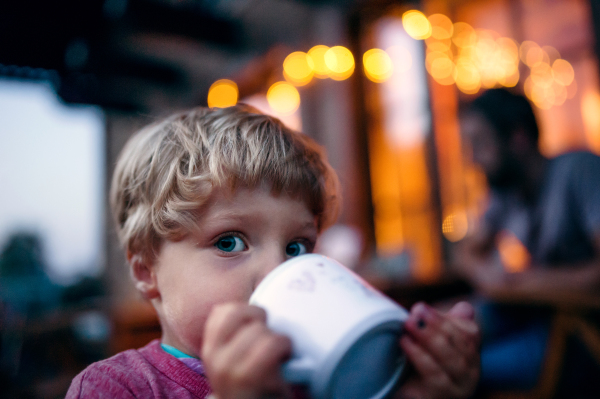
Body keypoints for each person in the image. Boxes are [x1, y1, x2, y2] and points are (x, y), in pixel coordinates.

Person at [66, 105, 480, 399]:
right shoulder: (115, 387)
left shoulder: (325, 370)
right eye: (229, 242)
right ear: (146, 271)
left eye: (297, 248)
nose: (277, 270)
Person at [454, 88, 600, 390]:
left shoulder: (580, 170)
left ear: (518, 137)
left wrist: (520, 282)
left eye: (480, 143)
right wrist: (497, 281)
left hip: (580, 330)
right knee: (440, 338)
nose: (473, 159)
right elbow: (467, 254)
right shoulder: (506, 192)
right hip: (536, 316)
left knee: (456, 373)